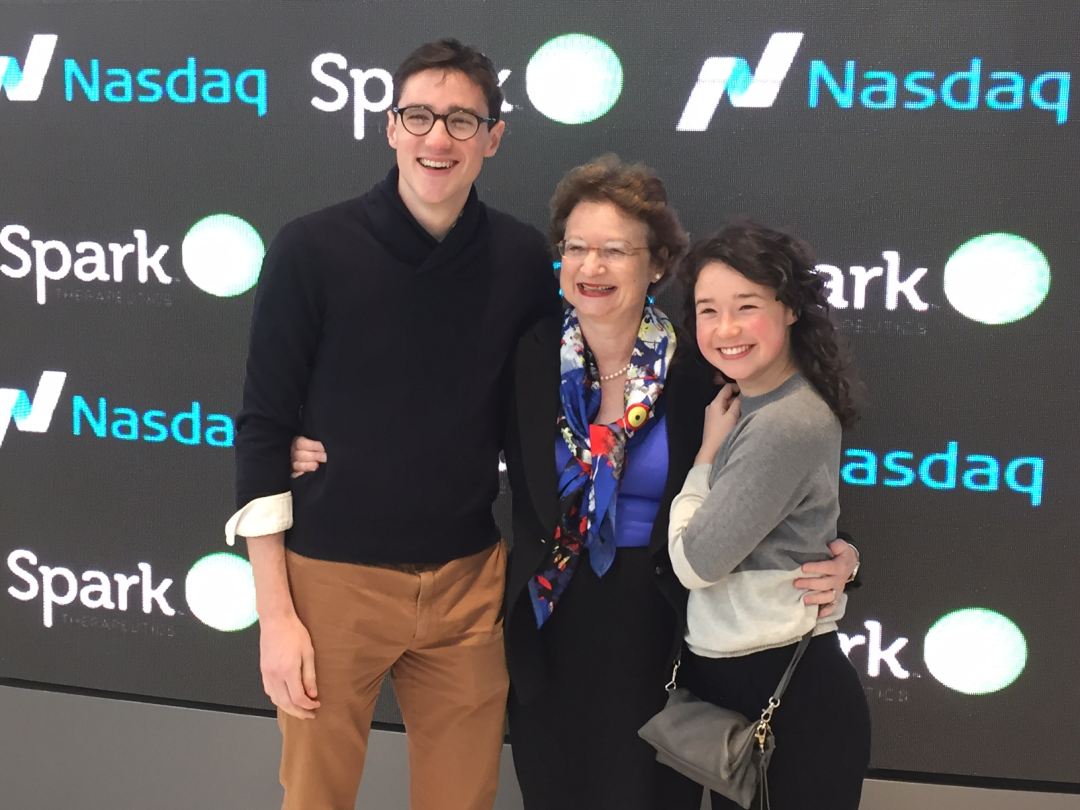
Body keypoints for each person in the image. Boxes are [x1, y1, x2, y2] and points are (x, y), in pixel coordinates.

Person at [294, 158, 859, 809]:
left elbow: (774, 479)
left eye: (614, 250)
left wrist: (843, 555)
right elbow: (432, 429)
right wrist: (311, 443)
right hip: (549, 633)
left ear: (657, 264)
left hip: (663, 642)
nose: (591, 266)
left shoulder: (700, 368)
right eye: (576, 248)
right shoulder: (525, 359)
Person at [228, 39, 561, 810]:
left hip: (468, 583)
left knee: (462, 798)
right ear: (390, 127)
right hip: (331, 582)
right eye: (419, 116)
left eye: (462, 120)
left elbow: (539, 418)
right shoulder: (312, 248)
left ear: (493, 137)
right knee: (316, 797)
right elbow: (264, 428)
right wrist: (276, 617)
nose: (438, 138)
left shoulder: (520, 259)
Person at [667, 220, 872, 809]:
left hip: (787, 698)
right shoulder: (751, 403)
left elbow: (695, 563)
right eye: (708, 310)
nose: (725, 328)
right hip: (746, 692)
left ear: (790, 309)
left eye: (746, 306)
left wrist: (705, 458)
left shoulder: (785, 421)